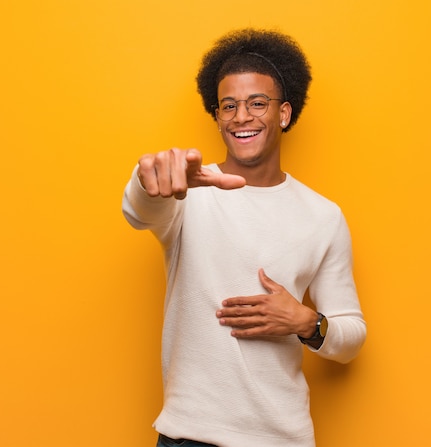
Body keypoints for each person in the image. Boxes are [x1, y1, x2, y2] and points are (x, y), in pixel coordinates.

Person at [122, 28, 366, 447]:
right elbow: (139, 210)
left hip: (281, 439)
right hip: (187, 437)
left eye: (257, 103)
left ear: (284, 114)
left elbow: (351, 335)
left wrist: (306, 323)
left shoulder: (323, 216)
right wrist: (147, 180)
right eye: (228, 106)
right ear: (217, 117)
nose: (241, 117)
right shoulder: (190, 193)